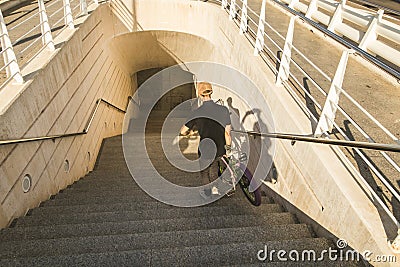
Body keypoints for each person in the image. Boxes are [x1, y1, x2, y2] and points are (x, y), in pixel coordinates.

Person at [180, 82, 232, 197]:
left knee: (205, 173)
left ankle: (207, 193)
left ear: (199, 94)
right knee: (216, 170)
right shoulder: (223, 110)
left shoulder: (196, 112)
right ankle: (215, 189)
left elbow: (183, 131)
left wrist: (190, 131)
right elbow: (227, 133)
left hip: (205, 148)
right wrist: (228, 149)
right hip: (220, 147)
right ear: (211, 92)